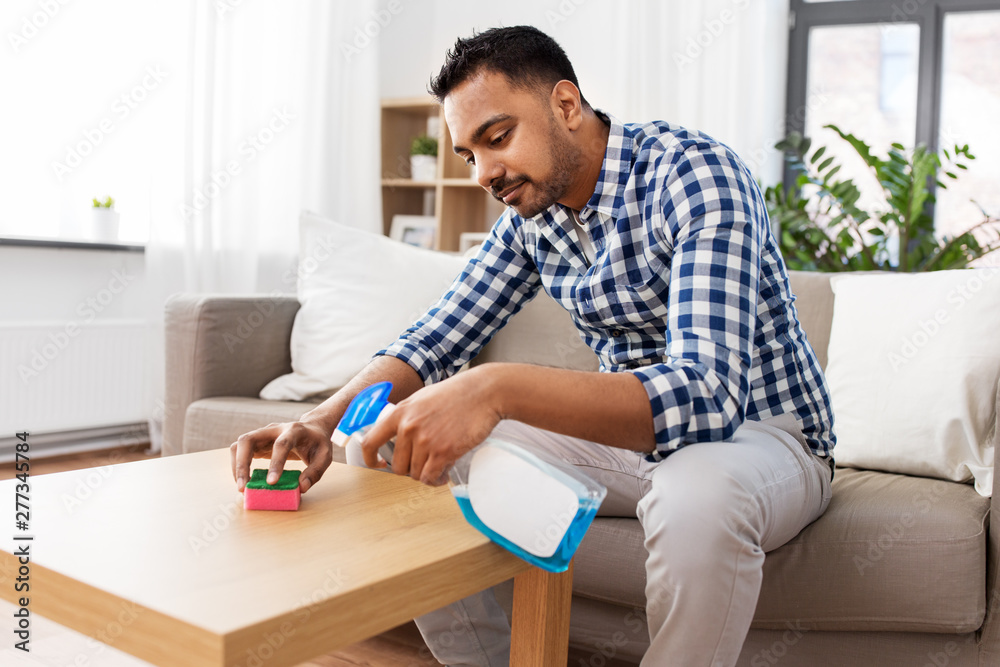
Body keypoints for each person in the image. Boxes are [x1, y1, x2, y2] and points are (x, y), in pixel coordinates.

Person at [230, 25, 835, 667]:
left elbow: (707, 397)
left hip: (761, 435)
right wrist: (320, 419)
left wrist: (493, 388)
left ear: (566, 106)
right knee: (387, 446)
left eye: (497, 138)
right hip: (634, 445)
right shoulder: (533, 214)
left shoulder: (693, 175)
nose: (486, 174)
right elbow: (436, 334)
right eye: (469, 156)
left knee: (697, 499)